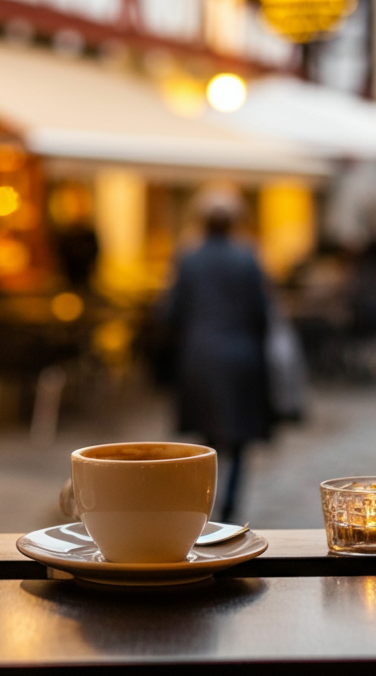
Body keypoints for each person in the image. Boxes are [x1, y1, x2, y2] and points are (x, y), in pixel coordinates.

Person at [161, 188, 274, 523]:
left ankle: (205, 510)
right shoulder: (247, 257)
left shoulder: (189, 258)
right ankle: (230, 508)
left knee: (206, 441)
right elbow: (263, 313)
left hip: (200, 357)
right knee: (240, 439)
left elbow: (170, 313)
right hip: (243, 356)